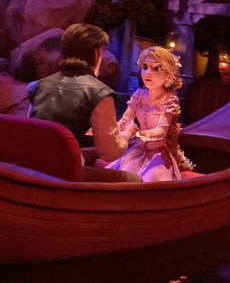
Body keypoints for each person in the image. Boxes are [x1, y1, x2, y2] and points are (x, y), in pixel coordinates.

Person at [27, 23, 131, 162]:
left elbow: (32, 130)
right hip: (64, 170)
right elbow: (110, 153)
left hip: (30, 166)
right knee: (130, 174)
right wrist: (127, 133)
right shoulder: (100, 93)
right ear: (97, 53)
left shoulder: (37, 86)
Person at [105, 46, 194, 182]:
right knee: (118, 176)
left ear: (169, 75)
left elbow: (161, 131)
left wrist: (139, 133)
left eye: (157, 68)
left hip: (158, 155)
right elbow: (125, 120)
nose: (148, 73)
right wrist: (112, 128)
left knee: (151, 179)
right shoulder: (139, 95)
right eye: (145, 67)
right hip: (138, 151)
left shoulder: (169, 100)